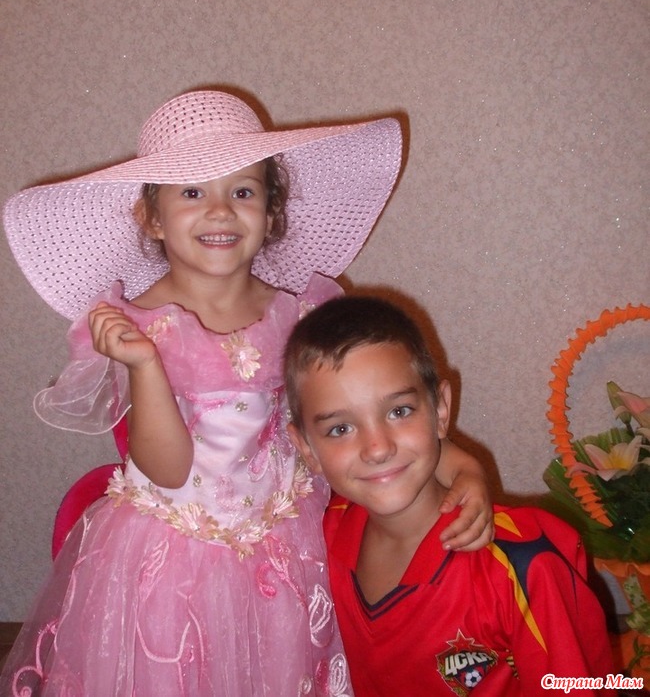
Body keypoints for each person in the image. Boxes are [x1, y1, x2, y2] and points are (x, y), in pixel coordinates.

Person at [1, 90, 492, 697]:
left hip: (288, 552)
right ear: (151, 216)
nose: (220, 211)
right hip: (169, 565)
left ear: (270, 211)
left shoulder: (302, 313)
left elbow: (369, 419)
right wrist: (144, 364)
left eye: (242, 191)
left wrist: (465, 470)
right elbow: (168, 471)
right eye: (191, 192)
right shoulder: (135, 325)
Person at [285, 295, 617, 697]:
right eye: (340, 429)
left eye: (399, 411)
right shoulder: (314, 542)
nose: (378, 448)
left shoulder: (522, 566)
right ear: (307, 449)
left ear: (440, 409)